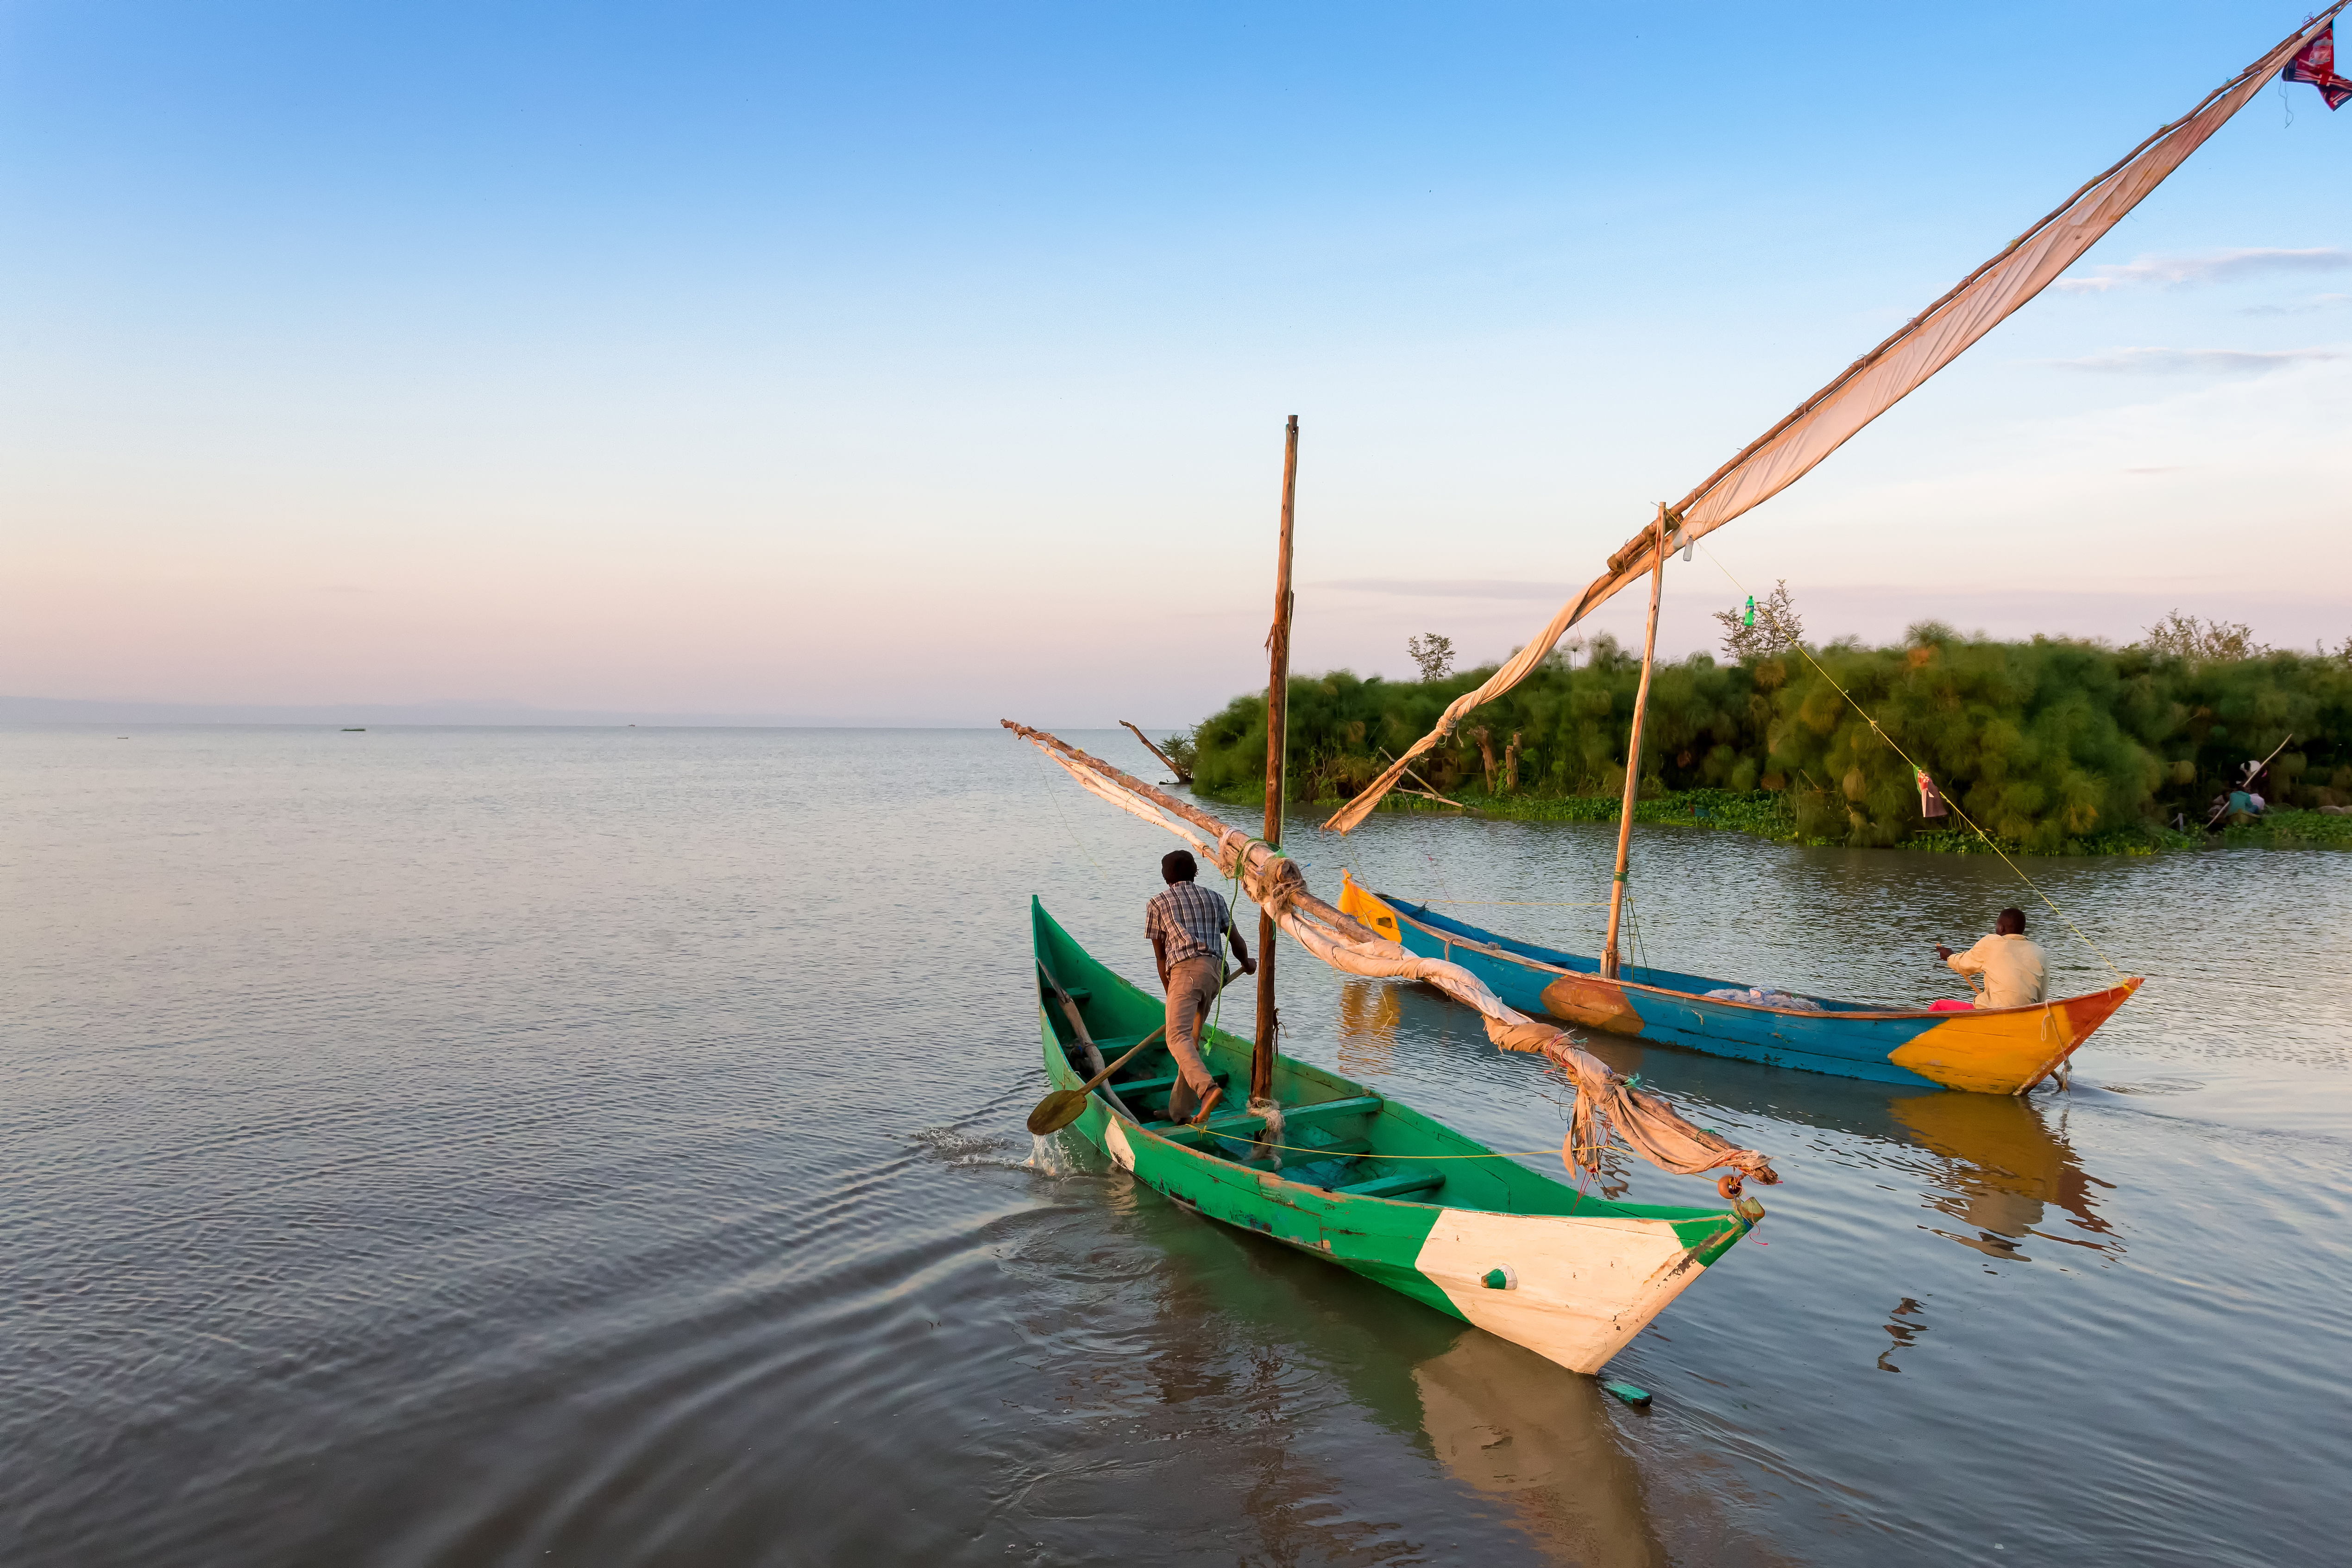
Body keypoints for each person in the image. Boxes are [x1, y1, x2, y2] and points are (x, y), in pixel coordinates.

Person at [1145, 849, 1254, 1126]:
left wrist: (1172, 992)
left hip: (1186, 973)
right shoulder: (1214, 898)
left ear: (1165, 876)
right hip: (1214, 974)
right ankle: (1180, 1112)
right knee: (1189, 1042)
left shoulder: (1158, 903)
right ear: (1195, 873)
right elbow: (1235, 940)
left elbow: (1161, 959)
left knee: (1175, 1038)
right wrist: (1248, 962)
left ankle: (1207, 1090)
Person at [1935, 908, 2049, 1010]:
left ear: (2001, 927)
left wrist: (1950, 956)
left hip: (1994, 1012)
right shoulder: (2039, 952)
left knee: (1938, 1006)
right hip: (2027, 1013)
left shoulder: (1992, 943)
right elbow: (2042, 996)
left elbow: (1963, 964)